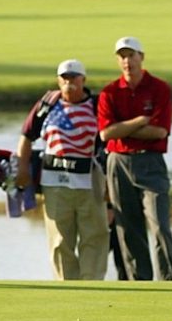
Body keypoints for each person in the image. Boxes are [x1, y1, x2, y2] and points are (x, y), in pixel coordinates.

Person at [16, 59, 110, 280]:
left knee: (94, 237)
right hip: (55, 181)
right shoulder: (47, 104)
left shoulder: (97, 105)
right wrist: (22, 168)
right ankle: (67, 286)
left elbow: (109, 142)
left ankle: (92, 285)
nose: (70, 83)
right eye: (64, 79)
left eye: (74, 78)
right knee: (59, 241)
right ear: (58, 81)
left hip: (89, 180)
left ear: (83, 80)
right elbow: (27, 136)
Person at [97, 36, 172, 281]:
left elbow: (160, 131)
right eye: (122, 56)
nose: (127, 61)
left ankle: (167, 281)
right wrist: (141, 121)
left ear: (142, 57)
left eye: (131, 55)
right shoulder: (110, 92)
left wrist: (123, 128)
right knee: (128, 228)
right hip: (118, 162)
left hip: (151, 161)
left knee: (159, 224)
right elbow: (106, 134)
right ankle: (139, 283)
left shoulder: (159, 88)